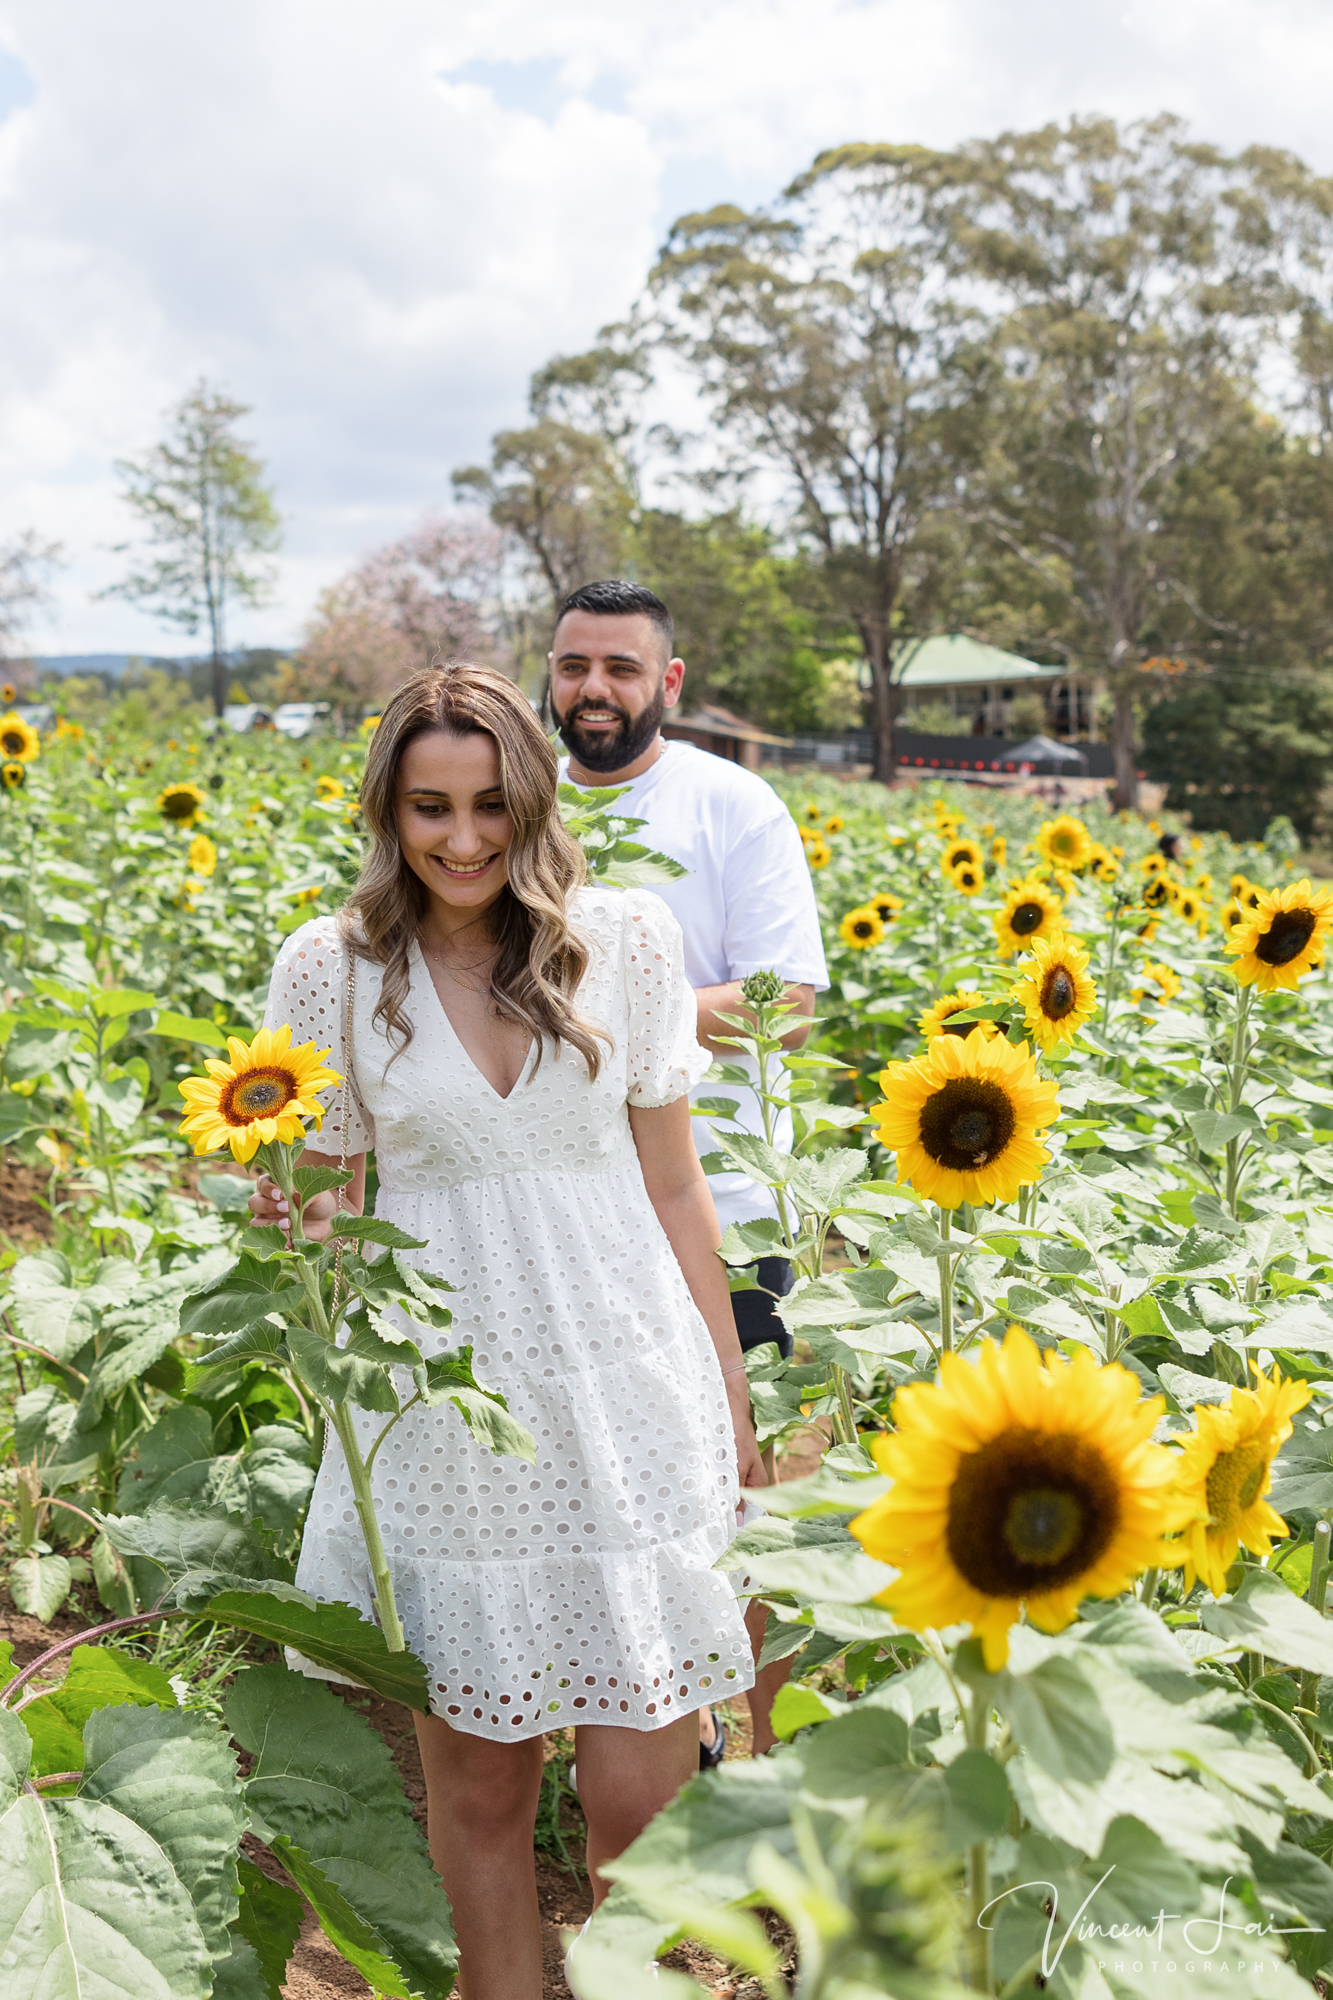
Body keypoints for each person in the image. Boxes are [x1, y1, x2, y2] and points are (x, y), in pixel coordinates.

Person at [248, 663, 763, 2000]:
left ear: (533, 802)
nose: (464, 840)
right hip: (440, 1418)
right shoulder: (334, 973)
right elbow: (319, 1204)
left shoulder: (625, 941)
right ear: (388, 811)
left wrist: (731, 1398)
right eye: (431, 808)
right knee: (475, 1801)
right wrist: (276, 1217)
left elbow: (673, 1181)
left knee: (641, 1822)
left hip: (621, 1399)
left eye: (490, 806)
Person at [549, 579, 829, 1758]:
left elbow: (790, 998)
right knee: (609, 1483)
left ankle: (779, 1769)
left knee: (752, 1478)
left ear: (667, 683)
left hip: (726, 1196)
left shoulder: (731, 803)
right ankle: (670, 1733)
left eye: (620, 668)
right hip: (563, 1209)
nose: (593, 691)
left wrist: (598, 1011)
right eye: (573, 667)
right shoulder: (515, 802)